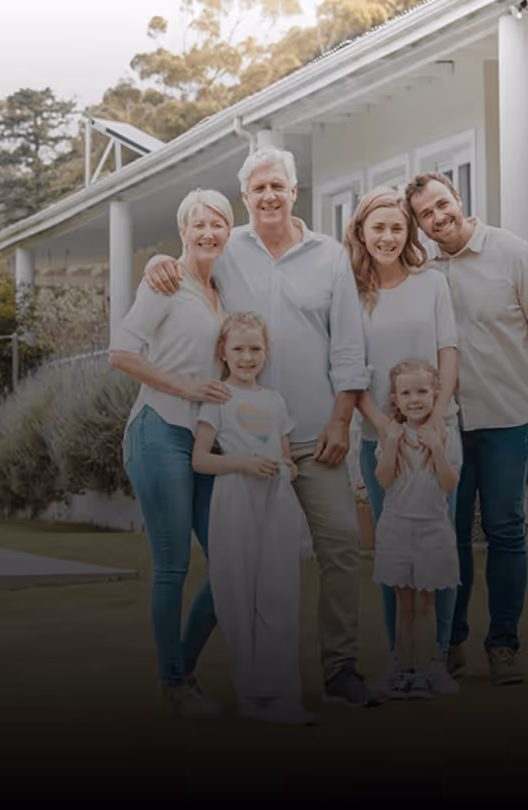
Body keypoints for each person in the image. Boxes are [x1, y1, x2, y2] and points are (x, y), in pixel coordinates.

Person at [142, 147, 376, 707]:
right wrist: (157, 262)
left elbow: (349, 347)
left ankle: (340, 670)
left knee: (342, 548)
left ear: (294, 190)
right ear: (245, 196)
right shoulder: (227, 249)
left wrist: (342, 420)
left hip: (315, 435)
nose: (269, 196)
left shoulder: (330, 256)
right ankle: (184, 674)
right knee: (235, 564)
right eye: (258, 188)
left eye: (278, 186)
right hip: (242, 443)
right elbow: (189, 263)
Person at [404, 172, 528, 686]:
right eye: (425, 214)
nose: (438, 217)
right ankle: (450, 642)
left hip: (507, 421)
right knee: (450, 534)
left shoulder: (513, 254)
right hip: (448, 425)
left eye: (441, 204)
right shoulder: (424, 271)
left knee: (504, 528)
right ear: (419, 225)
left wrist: (527, 393)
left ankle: (503, 645)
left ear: (457, 197)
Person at [109, 189, 233, 719]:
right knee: (173, 565)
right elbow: (121, 353)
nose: (207, 232)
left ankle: (181, 668)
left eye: (217, 224)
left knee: (232, 565)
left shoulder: (222, 290)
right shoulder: (164, 281)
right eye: (197, 224)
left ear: (229, 231)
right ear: (183, 231)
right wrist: (186, 389)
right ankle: (174, 685)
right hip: (158, 431)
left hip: (205, 440)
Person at [342, 188, 461, 696]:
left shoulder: (431, 283)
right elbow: (348, 368)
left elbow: (448, 351)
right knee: (394, 554)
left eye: (397, 228)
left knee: (437, 552)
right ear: (361, 233)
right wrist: (383, 425)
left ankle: (435, 661)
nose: (388, 237)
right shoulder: (349, 293)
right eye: (378, 228)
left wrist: (437, 417)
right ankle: (400, 662)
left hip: (437, 434)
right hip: (381, 438)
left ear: (408, 232)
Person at [192, 312, 316, 725]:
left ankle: (282, 694)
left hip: (275, 502)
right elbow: (201, 460)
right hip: (235, 500)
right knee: (237, 596)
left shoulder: (276, 401)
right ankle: (251, 696)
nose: (247, 357)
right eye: (239, 348)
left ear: (266, 352)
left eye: (255, 349)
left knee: (279, 593)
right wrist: (245, 463)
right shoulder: (218, 398)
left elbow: (284, 455)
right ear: (223, 352)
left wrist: (287, 467)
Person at [372, 359, 461, 700]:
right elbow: (383, 479)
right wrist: (392, 442)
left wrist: (437, 447)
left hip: (432, 531)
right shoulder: (390, 433)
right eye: (406, 393)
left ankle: (424, 672)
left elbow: (449, 484)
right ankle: (402, 669)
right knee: (404, 603)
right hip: (396, 529)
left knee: (426, 604)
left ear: (435, 393)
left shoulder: (446, 435)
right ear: (395, 398)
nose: (415, 399)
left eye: (422, 391)